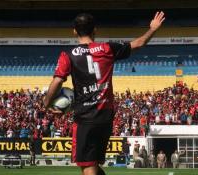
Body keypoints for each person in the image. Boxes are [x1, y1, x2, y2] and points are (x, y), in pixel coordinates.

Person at [43, 11, 165, 175]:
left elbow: (58, 81)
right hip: (105, 116)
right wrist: (152, 29)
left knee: (87, 167)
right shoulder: (108, 48)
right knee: (91, 165)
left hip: (85, 118)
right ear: (95, 30)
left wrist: (46, 103)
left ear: (74, 31)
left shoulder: (68, 55)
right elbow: (139, 43)